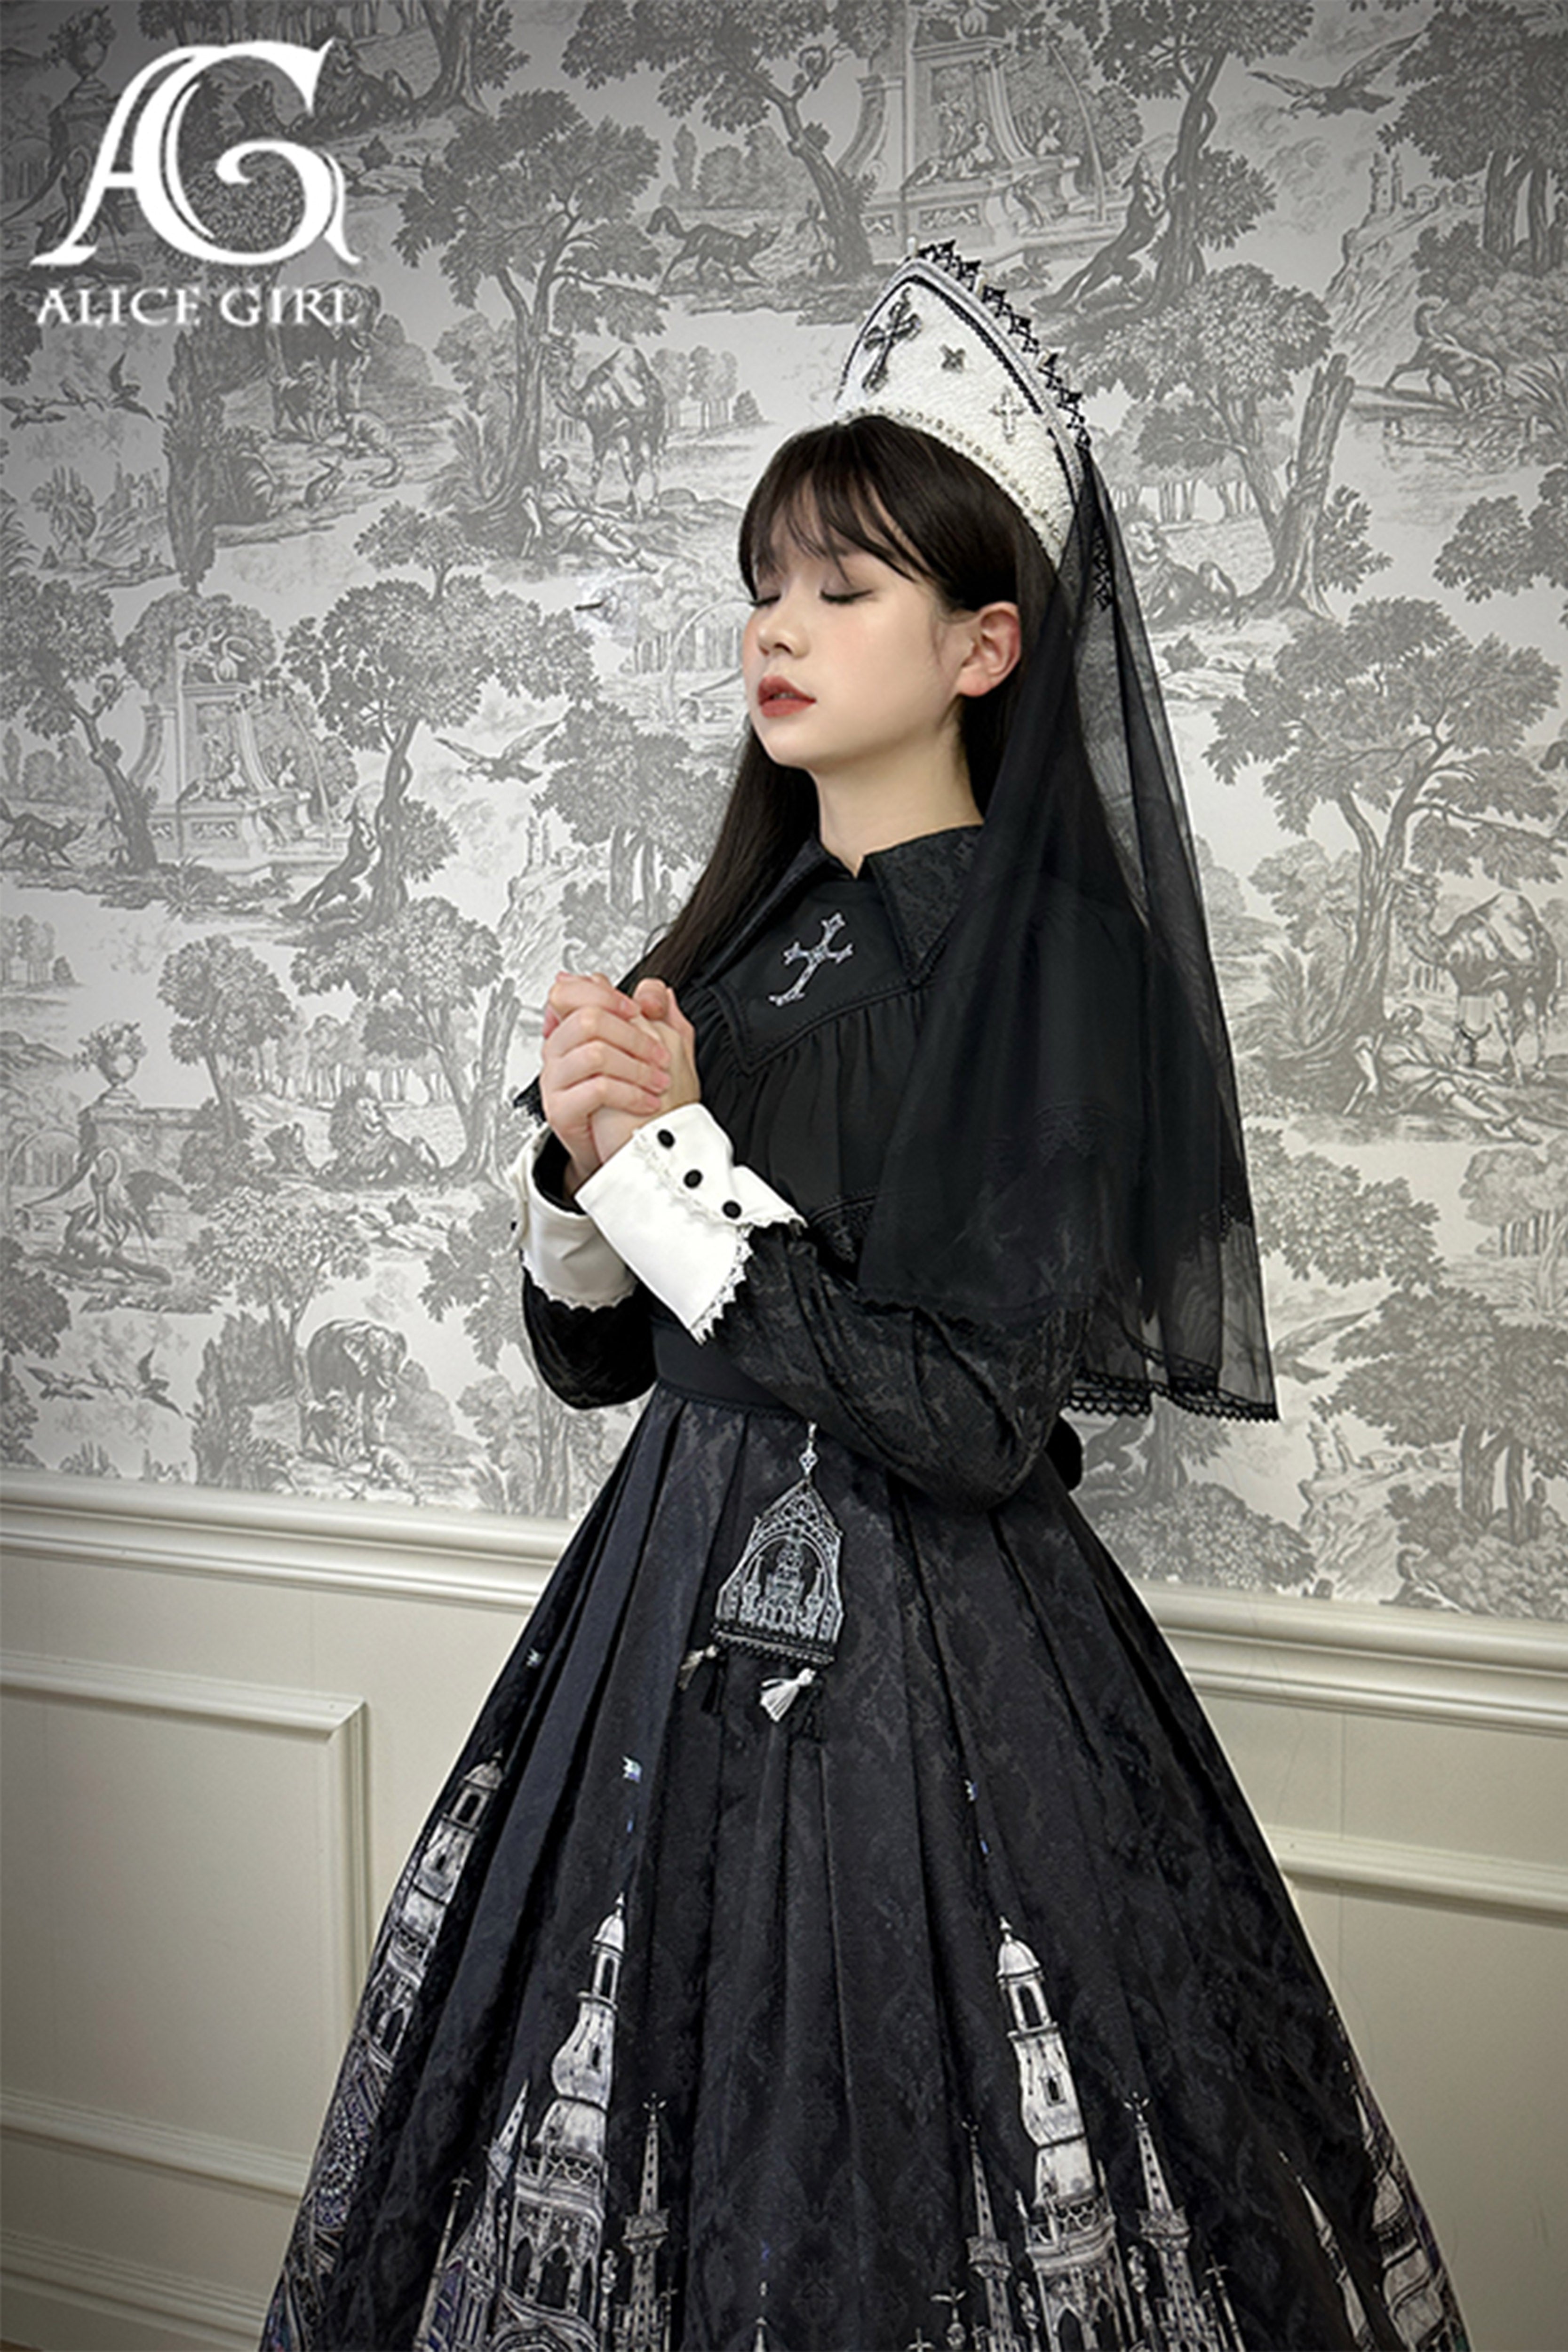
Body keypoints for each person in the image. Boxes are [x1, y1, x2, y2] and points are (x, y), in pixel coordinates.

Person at [263, 246, 1467, 2352]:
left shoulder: (1058, 966)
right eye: (767, 585)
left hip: (947, 1662)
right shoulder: (736, 946)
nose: (778, 625)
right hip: (654, 1618)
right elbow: (599, 1359)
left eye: (841, 586)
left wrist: (668, 1171)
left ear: (986, 642)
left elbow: (979, 1417)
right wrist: (583, 1176)